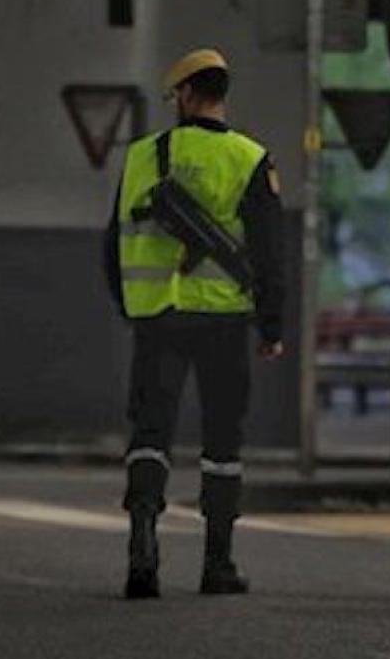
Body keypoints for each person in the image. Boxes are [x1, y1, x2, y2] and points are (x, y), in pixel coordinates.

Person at [104, 48, 286, 599]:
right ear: (221, 94)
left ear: (185, 95)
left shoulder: (140, 156)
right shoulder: (251, 159)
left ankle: (142, 546)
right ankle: (218, 562)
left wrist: (131, 304)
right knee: (222, 441)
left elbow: (111, 246)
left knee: (150, 432)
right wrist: (272, 327)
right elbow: (270, 252)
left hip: (158, 318)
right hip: (224, 321)